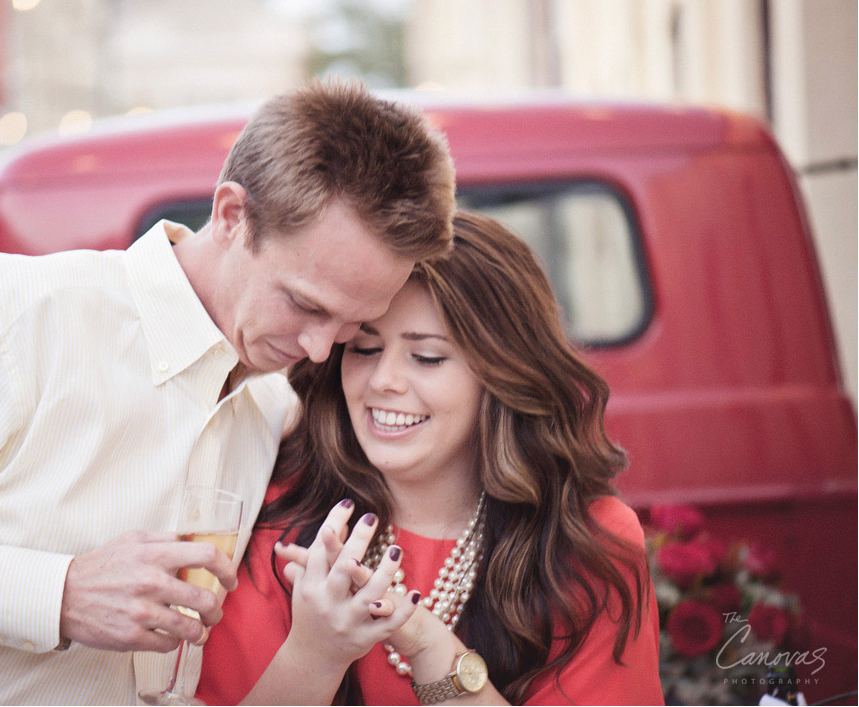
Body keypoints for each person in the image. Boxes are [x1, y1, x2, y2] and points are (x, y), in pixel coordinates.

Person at [0, 79, 456, 704]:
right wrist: (57, 595)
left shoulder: (268, 403)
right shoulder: (17, 314)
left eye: (351, 324)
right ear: (234, 215)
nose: (318, 349)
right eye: (304, 303)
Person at [197, 212, 663, 705]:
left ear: (503, 373)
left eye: (428, 357)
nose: (383, 381)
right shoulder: (277, 513)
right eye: (364, 348)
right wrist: (315, 655)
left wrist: (425, 644)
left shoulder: (587, 542)